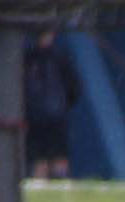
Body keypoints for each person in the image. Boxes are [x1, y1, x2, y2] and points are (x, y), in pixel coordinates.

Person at [22, 27, 80, 179]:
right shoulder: (59, 57)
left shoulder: (27, 58)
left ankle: (46, 189)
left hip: (37, 117)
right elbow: (73, 91)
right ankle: (59, 191)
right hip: (51, 117)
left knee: (43, 160)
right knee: (51, 159)